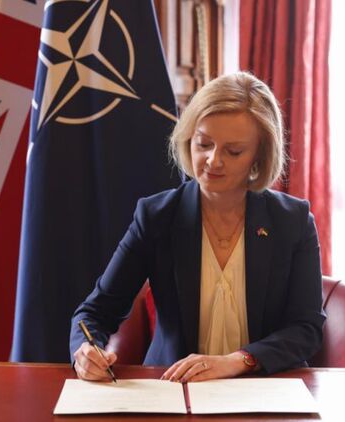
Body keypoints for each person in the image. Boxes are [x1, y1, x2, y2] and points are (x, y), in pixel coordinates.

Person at [70, 72, 325, 382]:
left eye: (233, 151)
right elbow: (95, 312)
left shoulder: (292, 221)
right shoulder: (157, 216)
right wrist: (86, 351)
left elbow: (306, 329)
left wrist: (238, 361)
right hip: (173, 385)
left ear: (259, 155)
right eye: (204, 144)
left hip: (263, 386)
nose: (213, 161)